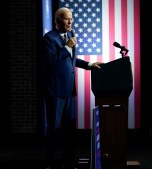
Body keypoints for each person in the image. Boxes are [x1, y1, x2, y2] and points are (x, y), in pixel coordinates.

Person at [39, 7, 103, 169]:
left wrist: (89, 64)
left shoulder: (69, 37)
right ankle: (49, 163)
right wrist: (67, 47)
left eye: (71, 19)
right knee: (53, 129)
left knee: (69, 130)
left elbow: (72, 60)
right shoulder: (49, 38)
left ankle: (68, 161)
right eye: (67, 19)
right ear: (58, 20)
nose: (70, 22)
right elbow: (52, 61)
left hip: (69, 91)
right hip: (55, 92)